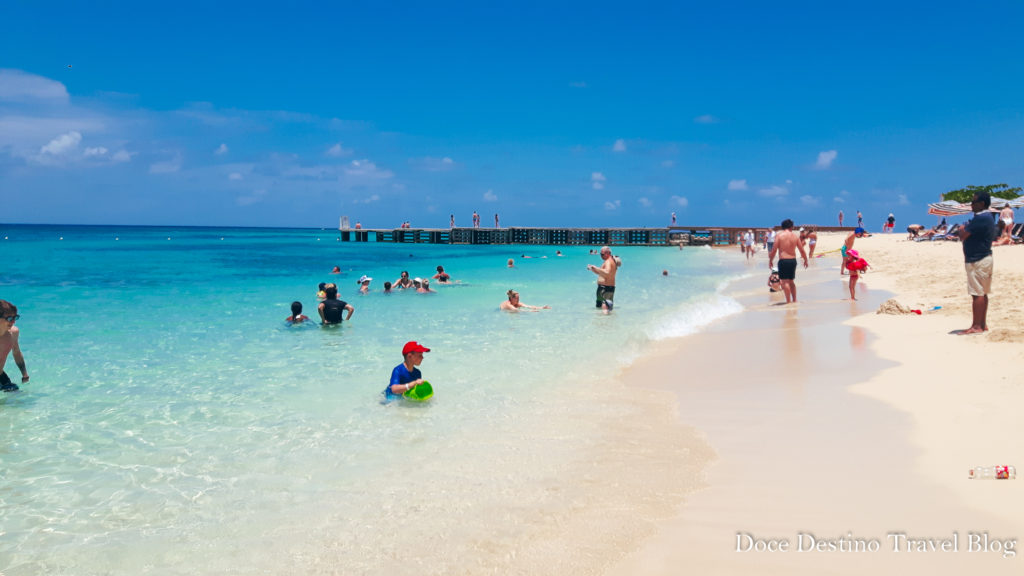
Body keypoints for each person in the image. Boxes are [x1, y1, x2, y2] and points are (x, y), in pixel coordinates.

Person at [957, 191, 997, 334]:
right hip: (983, 258)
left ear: (982, 204)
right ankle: (982, 324)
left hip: (977, 260)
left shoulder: (981, 218)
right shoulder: (987, 217)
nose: (971, 205)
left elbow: (963, 235)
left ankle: (977, 326)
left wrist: (961, 229)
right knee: (982, 293)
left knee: (977, 294)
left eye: (974, 202)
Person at [768, 219, 808, 304]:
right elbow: (802, 250)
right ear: (791, 226)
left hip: (784, 260)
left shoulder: (779, 236)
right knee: (791, 281)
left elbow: (774, 250)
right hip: (793, 261)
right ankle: (794, 300)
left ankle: (788, 302)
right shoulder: (795, 236)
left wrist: (770, 260)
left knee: (785, 282)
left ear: (783, 227)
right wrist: (806, 260)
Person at [0, 300, 29, 392]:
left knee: (15, 395)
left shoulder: (13, 333)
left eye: (15, 318)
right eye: (9, 318)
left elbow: (16, 352)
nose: (13, 322)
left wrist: (24, 374)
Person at [587, 246, 619, 312]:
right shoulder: (610, 261)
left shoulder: (608, 262)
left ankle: (603, 322)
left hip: (605, 289)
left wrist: (596, 267)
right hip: (608, 288)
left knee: (604, 310)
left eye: (602, 254)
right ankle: (606, 321)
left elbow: (607, 272)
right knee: (605, 309)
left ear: (608, 253)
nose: (601, 256)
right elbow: (602, 273)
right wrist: (593, 269)